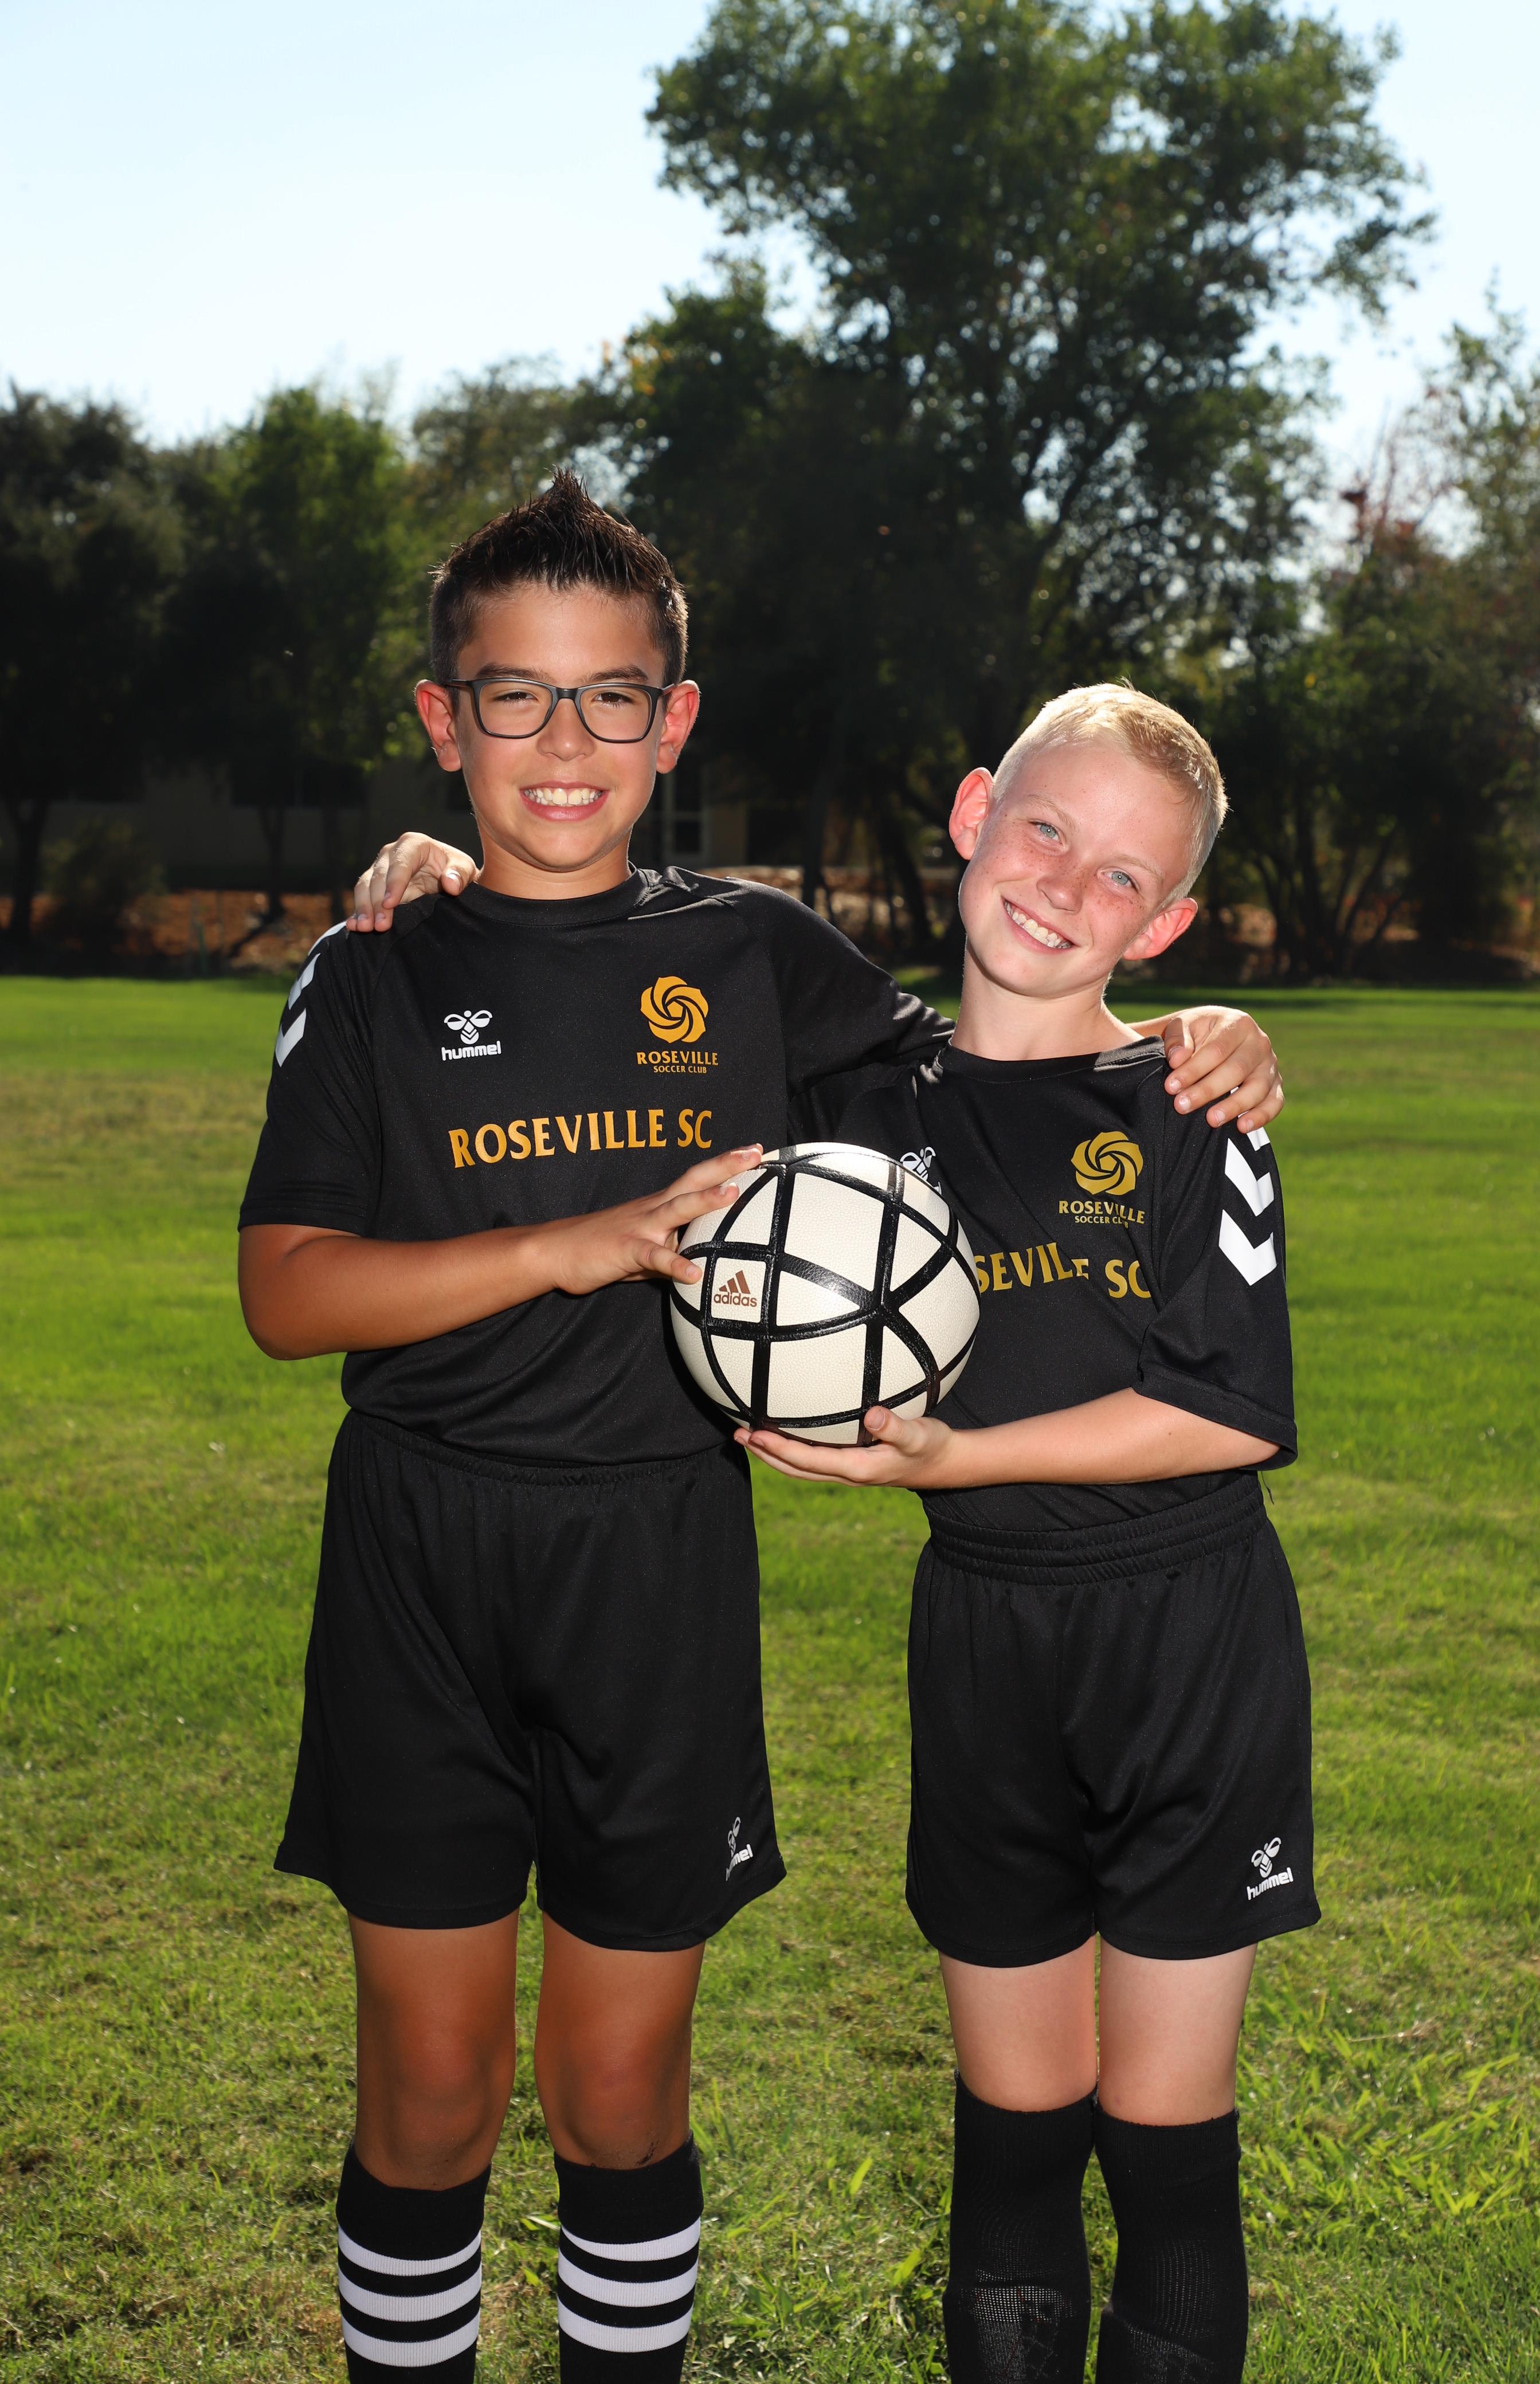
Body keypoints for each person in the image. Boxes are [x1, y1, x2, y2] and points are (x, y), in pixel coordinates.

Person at [239, 472, 1284, 2384]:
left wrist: (1201, 1035)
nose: (566, 741)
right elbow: (288, 1295)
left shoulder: (761, 953)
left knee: (618, 2089)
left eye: (611, 697)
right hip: (418, 1557)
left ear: (676, 721)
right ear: (446, 718)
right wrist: (578, 1241)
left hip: (659, 1565)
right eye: (516, 695)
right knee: (433, 2088)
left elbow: (1004, 1064)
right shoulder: (378, 966)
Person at [739, 685, 1314, 2384]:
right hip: (987, 1639)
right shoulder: (858, 1089)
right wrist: (441, 870)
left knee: (1165, 2145)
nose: (1066, 885)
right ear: (975, 812)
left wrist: (951, 1459)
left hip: (1188, 1643)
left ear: (1170, 924)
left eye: (1124, 875)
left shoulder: (1189, 1104)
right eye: (1047, 829)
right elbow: (627, 935)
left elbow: (1228, 1412)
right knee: (1011, 2138)